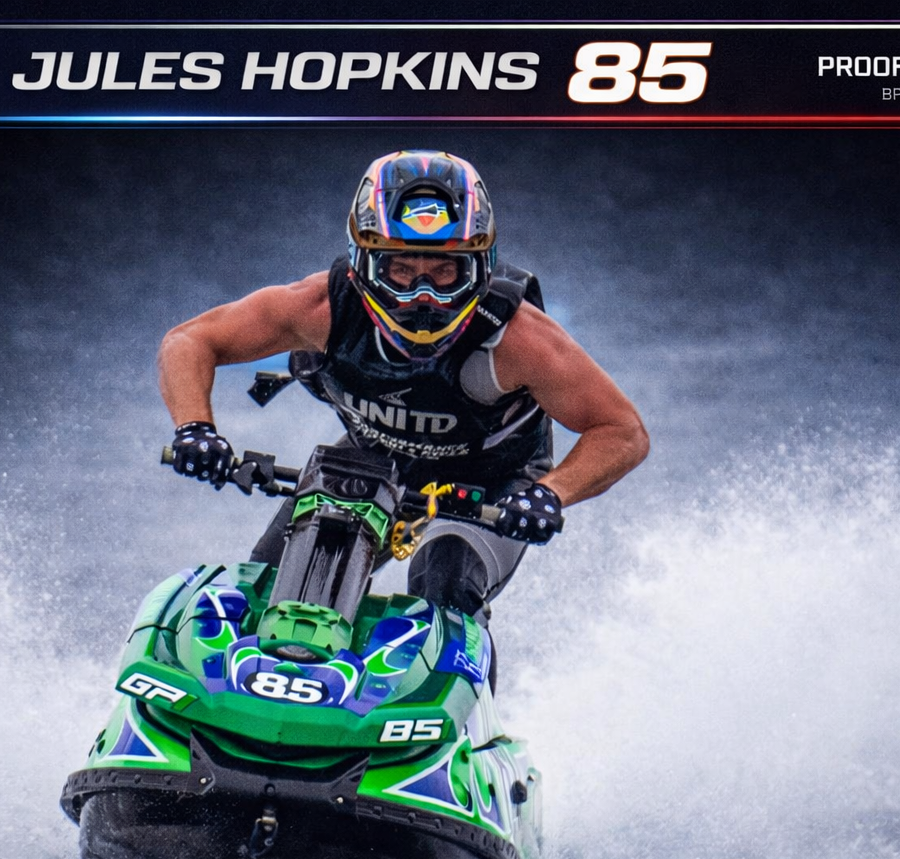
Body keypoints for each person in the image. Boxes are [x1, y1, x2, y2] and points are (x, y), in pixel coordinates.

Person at [159, 150, 647, 625]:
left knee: (446, 588)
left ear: (479, 269)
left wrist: (549, 494)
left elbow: (622, 430)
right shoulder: (318, 309)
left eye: (444, 272)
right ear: (364, 266)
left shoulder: (520, 340)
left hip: (494, 481)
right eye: (401, 271)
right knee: (272, 582)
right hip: (374, 460)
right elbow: (190, 341)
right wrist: (195, 428)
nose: (422, 297)